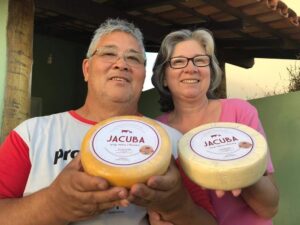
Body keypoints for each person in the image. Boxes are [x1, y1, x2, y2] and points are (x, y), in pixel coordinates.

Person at [0, 19, 217, 225]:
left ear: (143, 75)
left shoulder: (173, 142)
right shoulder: (31, 134)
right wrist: (53, 204)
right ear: (86, 69)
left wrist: (178, 206)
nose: (121, 64)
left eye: (133, 58)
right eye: (109, 53)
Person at [151, 28, 280, 225]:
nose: (191, 68)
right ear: (163, 77)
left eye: (200, 60)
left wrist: (239, 171)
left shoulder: (240, 112)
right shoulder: (157, 131)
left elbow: (270, 207)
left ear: (210, 71)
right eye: (178, 62)